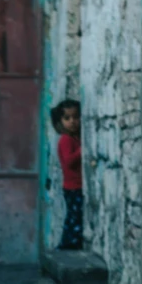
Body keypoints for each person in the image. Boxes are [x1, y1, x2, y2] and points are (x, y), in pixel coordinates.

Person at [52, 99, 84, 250]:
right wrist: (82, 150)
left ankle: (69, 243)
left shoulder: (75, 138)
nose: (73, 122)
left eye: (76, 117)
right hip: (72, 187)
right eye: (67, 118)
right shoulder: (65, 140)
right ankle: (68, 245)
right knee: (74, 217)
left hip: (76, 185)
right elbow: (69, 161)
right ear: (60, 121)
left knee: (74, 216)